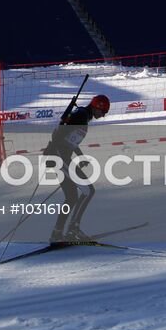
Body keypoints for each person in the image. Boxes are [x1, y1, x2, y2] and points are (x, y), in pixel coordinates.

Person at [46, 93, 110, 244]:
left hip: (61, 157)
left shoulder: (82, 115)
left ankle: (57, 233)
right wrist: (52, 151)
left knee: (71, 197)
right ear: (96, 107)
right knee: (88, 191)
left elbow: (69, 139)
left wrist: (80, 156)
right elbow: (59, 131)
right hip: (60, 157)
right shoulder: (81, 115)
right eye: (103, 111)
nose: (103, 115)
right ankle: (73, 228)